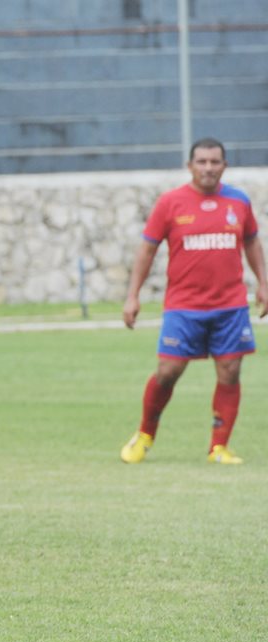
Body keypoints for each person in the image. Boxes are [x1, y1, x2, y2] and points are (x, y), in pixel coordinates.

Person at [120, 137, 268, 465]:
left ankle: (219, 447)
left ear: (224, 166)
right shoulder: (170, 203)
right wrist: (133, 295)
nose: (208, 168)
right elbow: (147, 249)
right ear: (189, 166)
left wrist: (263, 284)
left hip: (230, 305)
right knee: (168, 370)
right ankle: (144, 435)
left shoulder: (238, 202)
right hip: (184, 306)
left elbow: (252, 242)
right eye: (201, 162)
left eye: (215, 162)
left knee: (230, 371)